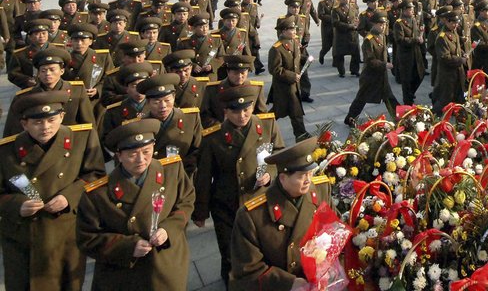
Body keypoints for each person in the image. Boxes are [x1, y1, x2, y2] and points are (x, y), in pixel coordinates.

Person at [0, 90, 105, 291]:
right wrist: (17, 205)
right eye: (38, 122)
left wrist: (69, 197)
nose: (46, 127)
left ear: (62, 117)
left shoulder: (81, 139)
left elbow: (96, 176)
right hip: (22, 238)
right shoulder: (7, 151)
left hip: (66, 232)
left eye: (52, 120)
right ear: (24, 124)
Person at [76, 118, 195, 289]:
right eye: (132, 155)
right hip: (123, 273)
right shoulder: (97, 193)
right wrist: (127, 246)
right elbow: (87, 238)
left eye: (146, 151)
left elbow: (186, 201)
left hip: (165, 262)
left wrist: (168, 228)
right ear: (119, 155)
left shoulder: (172, 171)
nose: (141, 159)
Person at [194, 85, 284, 287]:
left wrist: (269, 175)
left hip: (259, 201)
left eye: (247, 109)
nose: (242, 115)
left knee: (264, 248)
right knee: (230, 253)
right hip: (227, 204)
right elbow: (204, 177)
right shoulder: (212, 138)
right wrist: (200, 212)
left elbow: (279, 155)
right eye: (235, 111)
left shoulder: (267, 125)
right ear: (225, 112)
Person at [228, 137, 330, 290]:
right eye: (301, 176)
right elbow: (247, 269)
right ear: (283, 178)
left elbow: (331, 230)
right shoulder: (252, 215)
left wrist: (328, 266)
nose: (308, 180)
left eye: (310, 173)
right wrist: (290, 283)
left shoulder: (320, 190)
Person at [345, 10, 399, 125]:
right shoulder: (368, 40)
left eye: (384, 24)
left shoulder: (382, 36)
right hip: (370, 76)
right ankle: (350, 118)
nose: (383, 27)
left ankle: (398, 117)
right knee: (361, 98)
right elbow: (370, 60)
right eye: (380, 24)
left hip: (381, 75)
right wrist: (385, 65)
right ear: (373, 24)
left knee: (389, 97)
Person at [199, 54, 268, 128]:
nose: (239, 76)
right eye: (235, 73)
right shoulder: (212, 89)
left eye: (243, 73)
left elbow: (262, 114)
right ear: (228, 72)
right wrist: (220, 126)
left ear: (247, 72)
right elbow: (204, 115)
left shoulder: (256, 89)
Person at [268, 17, 308, 140]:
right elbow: (274, 69)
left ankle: (301, 134)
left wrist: (306, 59)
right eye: (291, 29)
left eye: (294, 28)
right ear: (283, 31)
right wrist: (291, 75)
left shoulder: (294, 42)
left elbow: (297, 58)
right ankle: (261, 124)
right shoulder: (276, 48)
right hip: (283, 86)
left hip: (294, 86)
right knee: (280, 111)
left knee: (294, 111)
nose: (294, 31)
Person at [392, 0, 425, 106]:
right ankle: (407, 100)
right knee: (406, 79)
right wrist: (415, 40)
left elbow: (416, 33)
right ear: (404, 10)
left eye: (412, 9)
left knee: (420, 74)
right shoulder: (399, 23)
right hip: (405, 55)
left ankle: (411, 93)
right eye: (410, 9)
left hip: (416, 53)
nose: (412, 11)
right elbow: (400, 40)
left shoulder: (413, 19)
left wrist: (420, 37)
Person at [331, 0, 361, 78]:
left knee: (355, 53)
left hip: (353, 35)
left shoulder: (354, 7)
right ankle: (341, 71)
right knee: (340, 54)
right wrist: (350, 26)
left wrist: (357, 25)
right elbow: (336, 23)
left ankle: (354, 70)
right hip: (341, 35)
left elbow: (357, 18)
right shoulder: (336, 10)